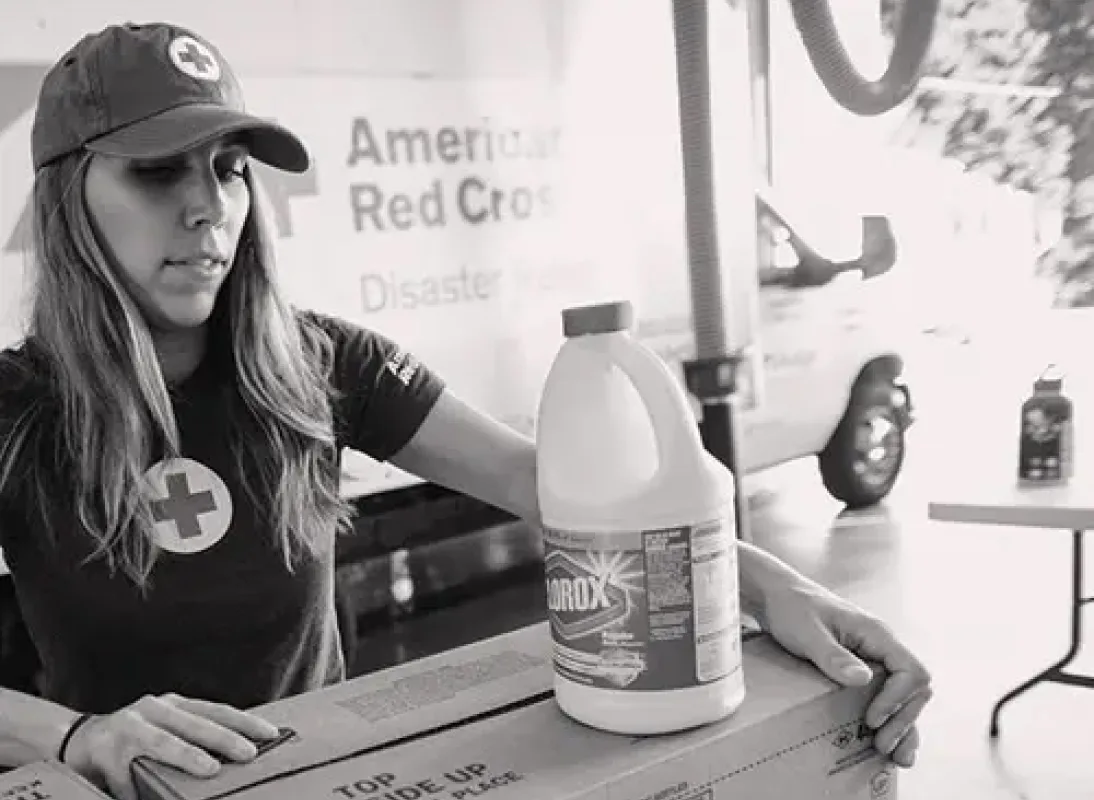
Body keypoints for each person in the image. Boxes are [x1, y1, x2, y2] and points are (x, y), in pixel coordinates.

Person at [0, 21, 931, 800]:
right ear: (68, 200)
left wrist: (774, 587)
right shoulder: (11, 407)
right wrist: (76, 736)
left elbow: (554, 490)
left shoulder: (321, 363)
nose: (211, 208)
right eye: (160, 171)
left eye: (232, 167)